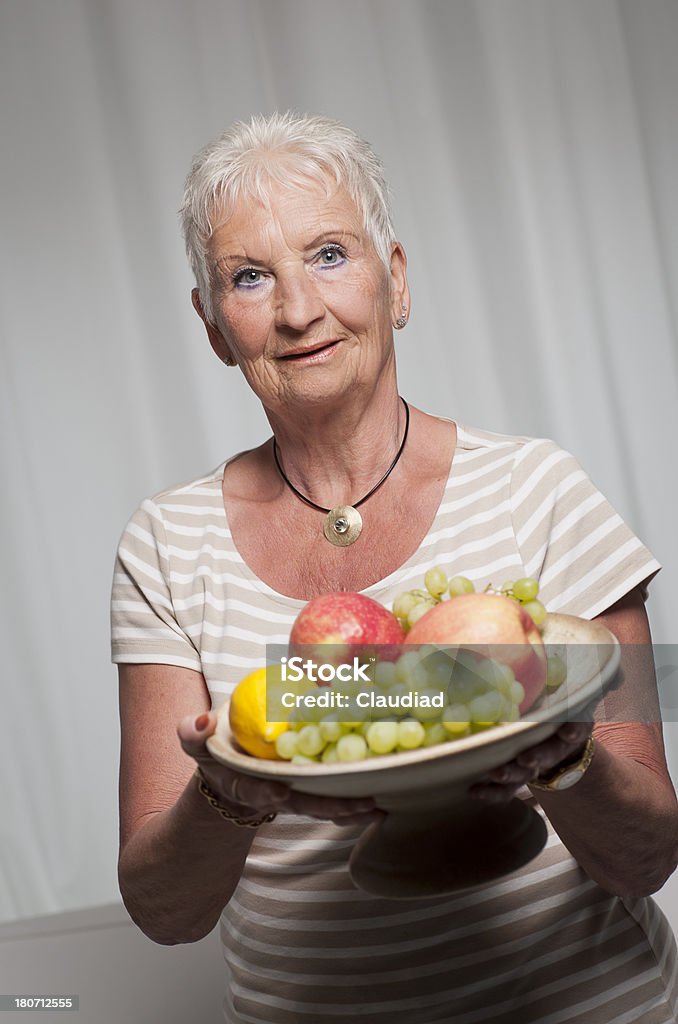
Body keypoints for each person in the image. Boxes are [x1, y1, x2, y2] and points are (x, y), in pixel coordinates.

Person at [111, 112, 678, 1023]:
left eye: (329, 254)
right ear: (214, 325)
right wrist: (226, 794)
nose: (298, 309)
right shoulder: (164, 544)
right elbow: (163, 910)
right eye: (249, 277)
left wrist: (564, 761)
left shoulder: (542, 490)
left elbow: (648, 854)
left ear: (397, 279)